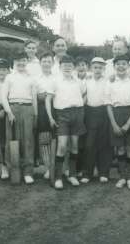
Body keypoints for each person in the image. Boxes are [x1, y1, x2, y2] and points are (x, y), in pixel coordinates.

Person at [45, 55, 87, 190]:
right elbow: (48, 99)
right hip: (62, 115)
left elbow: (84, 94)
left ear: (73, 67)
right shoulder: (55, 81)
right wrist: (51, 117)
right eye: (65, 65)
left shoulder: (78, 81)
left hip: (77, 113)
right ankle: (58, 177)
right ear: (60, 66)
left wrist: (80, 106)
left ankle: (72, 175)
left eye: (70, 65)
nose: (67, 67)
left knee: (74, 145)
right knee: (62, 146)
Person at [105, 54, 130, 190]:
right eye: (118, 64)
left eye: (124, 64)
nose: (121, 66)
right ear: (114, 67)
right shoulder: (110, 82)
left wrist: (128, 124)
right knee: (120, 148)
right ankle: (122, 177)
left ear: (128, 67)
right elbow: (108, 104)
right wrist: (114, 124)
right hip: (116, 115)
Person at [1, 52, 38, 185]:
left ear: (26, 61)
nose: (21, 63)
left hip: (27, 109)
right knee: (11, 139)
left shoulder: (31, 78)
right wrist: (9, 112)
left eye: (23, 60)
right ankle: (13, 170)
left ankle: (28, 172)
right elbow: (3, 97)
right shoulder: (9, 77)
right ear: (15, 62)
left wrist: (35, 115)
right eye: (18, 61)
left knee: (27, 140)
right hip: (13, 108)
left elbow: (34, 98)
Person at [80, 57, 112, 184]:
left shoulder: (108, 80)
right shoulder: (86, 80)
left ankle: (103, 173)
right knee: (89, 144)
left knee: (104, 143)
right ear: (91, 68)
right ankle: (87, 173)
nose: (97, 70)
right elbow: (82, 95)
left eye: (100, 67)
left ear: (104, 69)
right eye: (95, 67)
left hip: (104, 112)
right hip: (90, 112)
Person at [35, 51, 56, 180]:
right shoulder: (36, 79)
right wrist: (39, 97)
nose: (46, 64)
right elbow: (33, 96)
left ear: (53, 63)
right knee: (44, 140)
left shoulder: (58, 77)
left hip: (57, 109)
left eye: (49, 61)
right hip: (42, 110)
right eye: (44, 61)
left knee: (57, 139)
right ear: (40, 63)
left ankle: (59, 167)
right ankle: (49, 168)